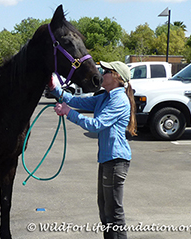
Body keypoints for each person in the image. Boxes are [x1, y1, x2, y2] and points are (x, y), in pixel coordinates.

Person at [49, 61, 137, 239]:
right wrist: (55, 89)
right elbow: (75, 100)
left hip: (115, 160)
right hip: (107, 160)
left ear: (116, 77)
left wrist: (68, 112)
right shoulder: (105, 96)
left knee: (113, 213)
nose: (101, 72)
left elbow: (96, 125)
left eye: (105, 71)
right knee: (105, 209)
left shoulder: (119, 100)